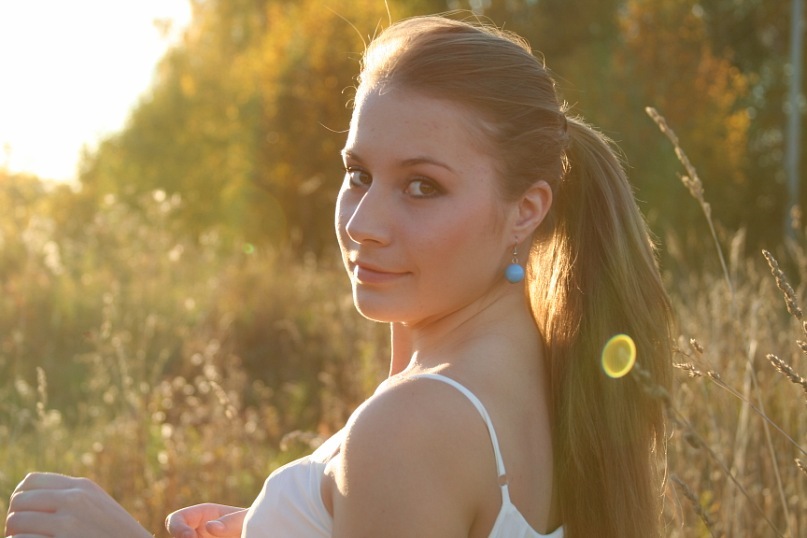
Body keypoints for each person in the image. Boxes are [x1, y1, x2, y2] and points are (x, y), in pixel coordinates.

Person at [5, 13, 673, 538]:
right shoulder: (544, 374)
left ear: (525, 209)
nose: (362, 223)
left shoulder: (415, 424)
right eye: (358, 174)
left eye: (422, 185)